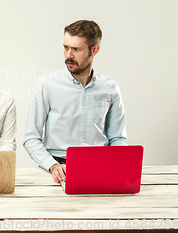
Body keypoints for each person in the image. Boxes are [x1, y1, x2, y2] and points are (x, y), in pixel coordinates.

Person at [24, 20, 127, 183]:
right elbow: (31, 138)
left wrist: (113, 165)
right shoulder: (46, 85)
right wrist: (52, 166)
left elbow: (118, 139)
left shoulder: (110, 88)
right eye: (66, 47)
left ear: (94, 50)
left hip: (100, 168)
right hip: (57, 170)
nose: (68, 56)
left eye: (76, 49)